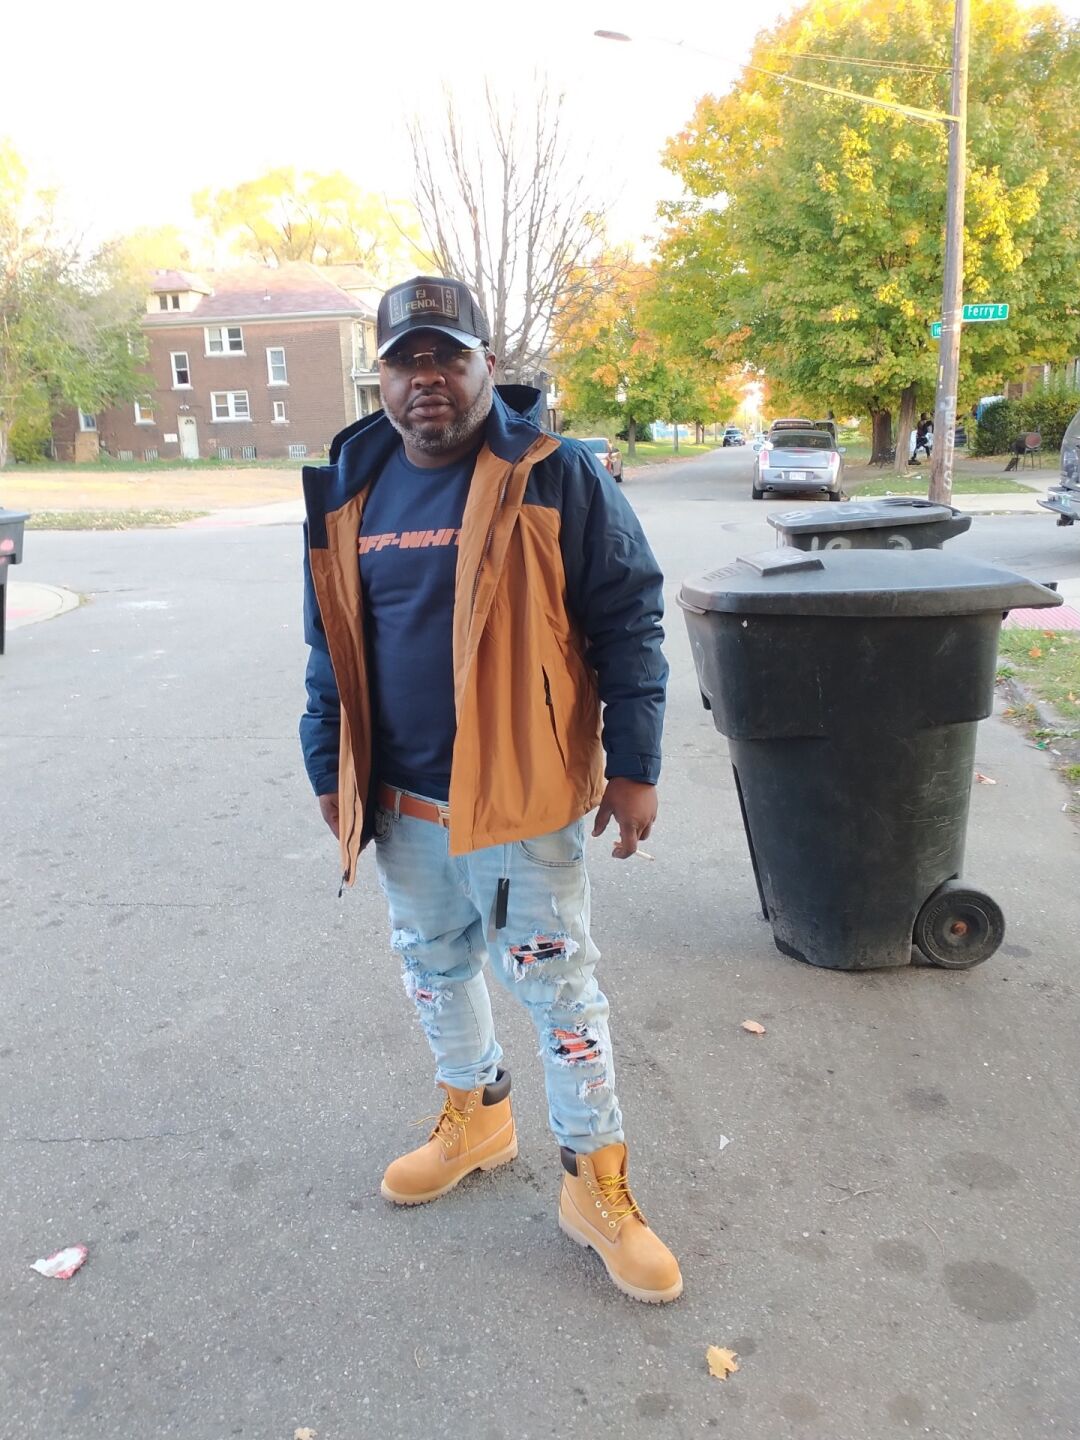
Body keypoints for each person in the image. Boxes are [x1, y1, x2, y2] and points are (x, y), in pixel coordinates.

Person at [299, 276, 682, 1304]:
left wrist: (635, 765)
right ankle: (476, 1117)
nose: (426, 378)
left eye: (447, 357)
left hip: (519, 799)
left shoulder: (552, 472)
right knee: (432, 965)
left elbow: (629, 617)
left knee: (561, 993)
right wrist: (328, 765)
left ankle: (595, 1182)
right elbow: (328, 643)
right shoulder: (350, 483)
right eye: (405, 361)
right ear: (380, 376)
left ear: (485, 366)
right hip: (401, 800)